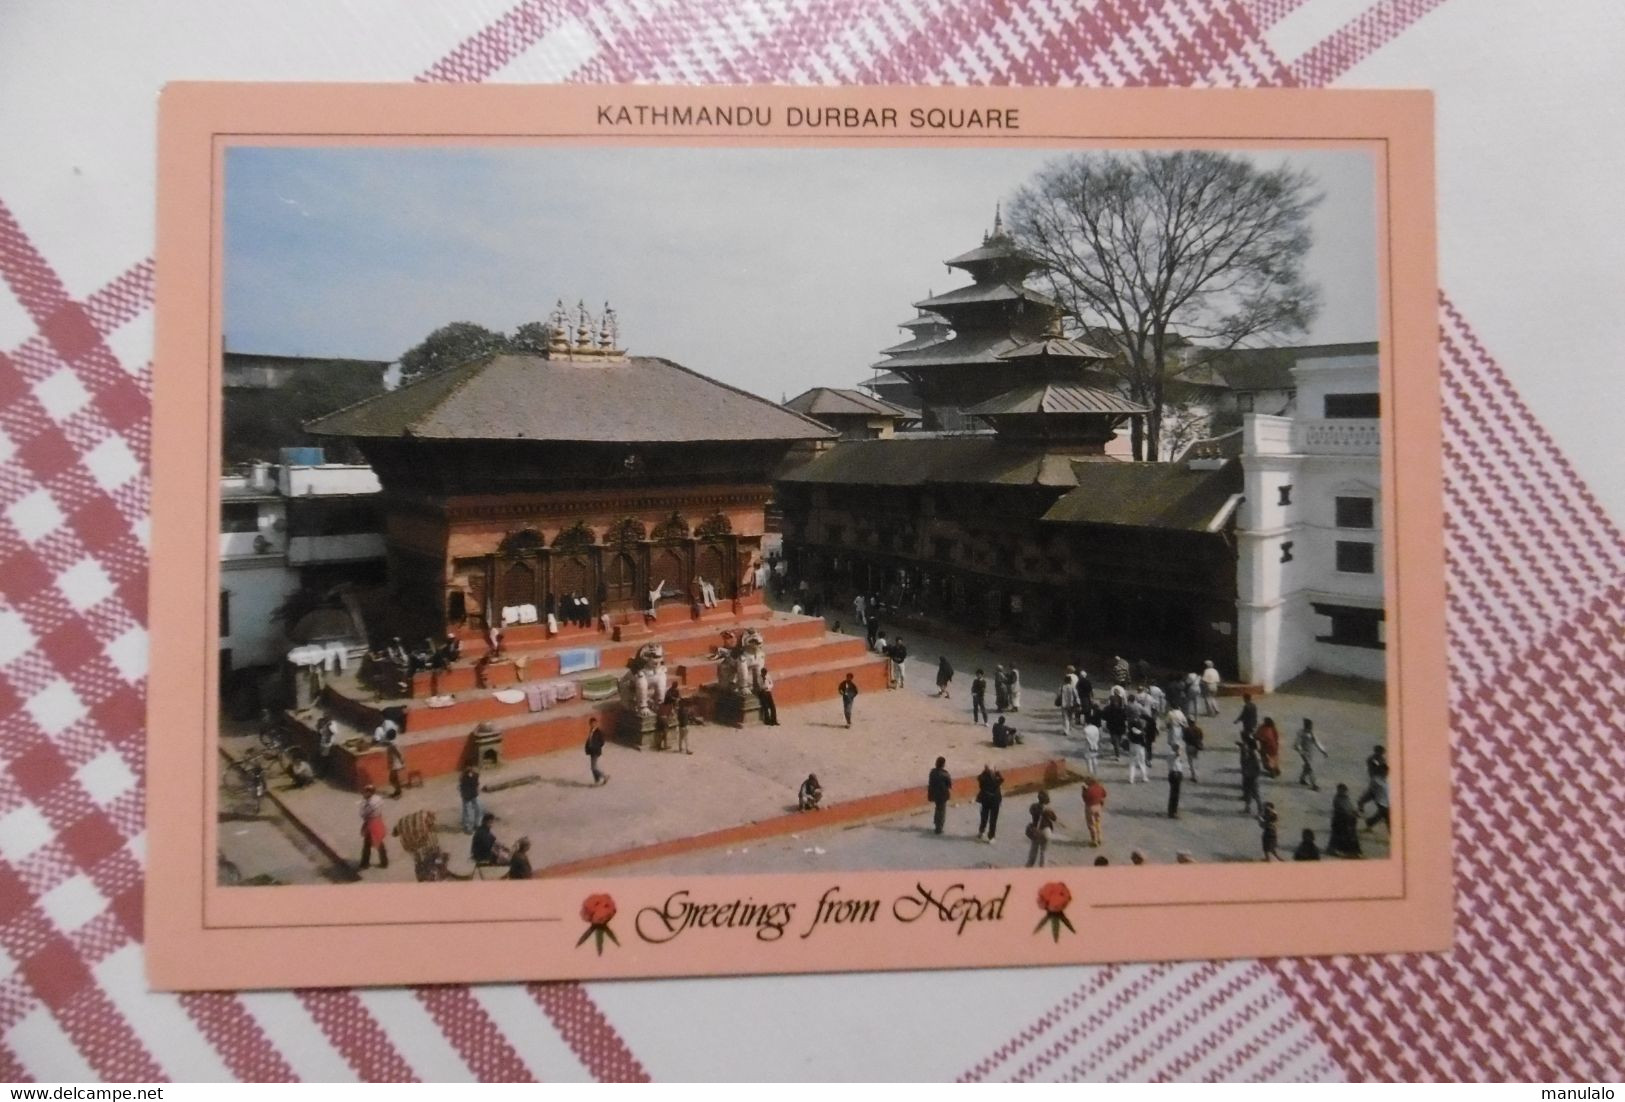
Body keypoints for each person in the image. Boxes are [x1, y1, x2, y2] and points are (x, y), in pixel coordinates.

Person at [1328, 784, 1364, 857]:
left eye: (1344, 791)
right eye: (1341, 790)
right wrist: (1351, 813)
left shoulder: (1346, 799)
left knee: (1348, 836)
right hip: (1339, 820)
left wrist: (1355, 812)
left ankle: (1351, 851)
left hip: (1348, 820)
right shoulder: (1337, 799)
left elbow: (1350, 807)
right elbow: (1342, 809)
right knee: (1338, 836)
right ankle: (1334, 849)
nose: (1343, 792)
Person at [358, 785, 388, 870]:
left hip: (371, 824)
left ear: (369, 793)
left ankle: (365, 863)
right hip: (378, 821)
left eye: (365, 792)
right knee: (378, 842)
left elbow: (363, 814)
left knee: (370, 844)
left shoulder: (370, 803)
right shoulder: (378, 798)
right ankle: (383, 862)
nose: (363, 794)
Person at [1026, 791, 1058, 867]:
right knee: (1044, 852)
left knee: (1033, 853)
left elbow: (1031, 811)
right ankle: (1043, 870)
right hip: (1046, 831)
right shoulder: (1048, 809)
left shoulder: (1034, 806)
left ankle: (1028, 870)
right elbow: (1054, 818)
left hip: (1036, 830)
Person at [1295, 719, 1328, 791]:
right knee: (1310, 767)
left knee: (1307, 766)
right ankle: (1314, 784)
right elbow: (1297, 744)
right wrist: (1301, 751)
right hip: (1304, 753)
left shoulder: (1311, 733)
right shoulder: (1301, 733)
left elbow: (1317, 742)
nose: (1310, 728)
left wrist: (1323, 751)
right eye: (1309, 726)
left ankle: (1302, 779)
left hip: (1310, 752)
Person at [975, 765, 1003, 843]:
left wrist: (984, 771)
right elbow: (1002, 779)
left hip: (985, 800)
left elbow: (979, 778)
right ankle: (991, 836)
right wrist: (997, 772)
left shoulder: (983, 779)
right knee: (993, 819)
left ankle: (981, 831)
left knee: (984, 817)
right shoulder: (997, 780)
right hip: (995, 801)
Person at [1239, 733, 1264, 815]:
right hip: (1248, 775)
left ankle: (1260, 809)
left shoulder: (1253, 754)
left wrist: (1254, 775)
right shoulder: (1250, 752)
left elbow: (1258, 767)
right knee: (1248, 793)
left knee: (1255, 794)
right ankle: (1247, 808)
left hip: (1252, 776)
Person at [927, 757, 953, 835]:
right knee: (942, 811)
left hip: (934, 794)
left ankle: (936, 823)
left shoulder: (932, 772)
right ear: (943, 764)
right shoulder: (945, 774)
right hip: (942, 795)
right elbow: (949, 785)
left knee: (937, 808)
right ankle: (939, 827)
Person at [1081, 774, 1107, 848]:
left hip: (1090, 807)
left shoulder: (1088, 790)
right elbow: (1104, 795)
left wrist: (1083, 790)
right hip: (1098, 806)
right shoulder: (1100, 787)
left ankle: (1094, 840)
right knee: (1097, 822)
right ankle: (1099, 838)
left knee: (1091, 824)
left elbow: (1085, 799)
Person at [459, 766, 484, 833]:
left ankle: (477, 824)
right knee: (467, 811)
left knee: (478, 809)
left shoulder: (475, 776)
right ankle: (467, 827)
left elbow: (477, 785)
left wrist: (477, 790)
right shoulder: (464, 777)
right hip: (467, 796)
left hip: (473, 795)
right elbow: (462, 787)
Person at [1127, 718, 1151, 783]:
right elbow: (1144, 743)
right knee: (1142, 763)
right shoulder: (1141, 733)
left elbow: (1128, 739)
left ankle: (1131, 779)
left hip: (1132, 747)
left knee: (1132, 763)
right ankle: (1144, 777)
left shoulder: (1130, 732)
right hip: (1140, 748)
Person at [383, 730, 407, 798]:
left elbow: (397, 753)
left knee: (392, 779)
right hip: (396, 763)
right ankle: (397, 792)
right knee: (395, 779)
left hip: (395, 764)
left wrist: (400, 761)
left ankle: (398, 792)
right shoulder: (395, 742)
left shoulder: (392, 745)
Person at [585, 717, 607, 785]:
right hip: (591, 751)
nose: (592, 725)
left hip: (596, 751)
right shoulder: (591, 731)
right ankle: (597, 780)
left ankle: (604, 776)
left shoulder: (599, 732)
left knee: (593, 767)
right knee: (593, 768)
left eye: (594, 723)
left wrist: (596, 746)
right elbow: (589, 740)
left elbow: (602, 742)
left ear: (596, 723)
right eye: (591, 724)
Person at [1167, 750, 1187, 818]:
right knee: (1175, 794)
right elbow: (1177, 754)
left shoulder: (1171, 754)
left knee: (1173, 793)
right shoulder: (1172, 754)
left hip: (1174, 774)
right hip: (1175, 774)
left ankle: (1171, 810)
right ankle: (1173, 811)